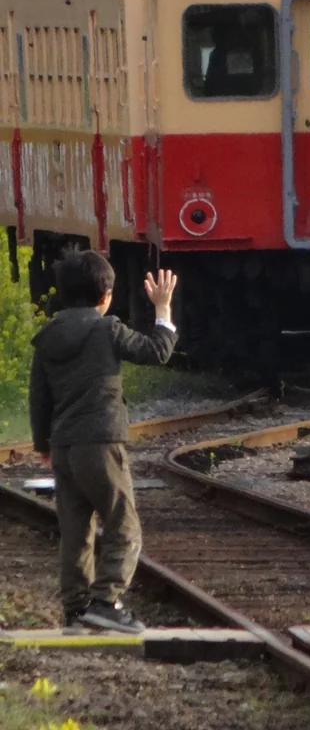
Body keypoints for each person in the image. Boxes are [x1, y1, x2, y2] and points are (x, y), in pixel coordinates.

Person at [29, 251, 178, 633]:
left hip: (63, 445)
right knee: (123, 525)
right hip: (101, 441)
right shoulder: (106, 329)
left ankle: (75, 611)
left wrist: (42, 443)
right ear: (105, 295)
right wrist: (163, 311)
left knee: (75, 532)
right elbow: (157, 352)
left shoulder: (47, 337)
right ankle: (106, 601)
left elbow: (39, 395)